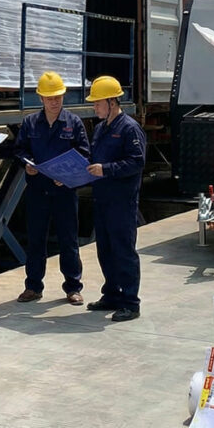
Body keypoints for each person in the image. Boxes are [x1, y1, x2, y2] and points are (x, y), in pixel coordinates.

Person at [13, 71, 90, 305]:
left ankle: (73, 287)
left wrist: (67, 175)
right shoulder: (30, 123)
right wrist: (27, 165)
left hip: (64, 191)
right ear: (41, 99)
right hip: (38, 190)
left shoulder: (73, 123)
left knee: (68, 239)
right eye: (50, 98)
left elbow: (84, 153)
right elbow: (20, 150)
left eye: (58, 97)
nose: (54, 102)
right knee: (36, 239)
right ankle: (33, 286)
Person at [84, 75, 146, 322]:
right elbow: (94, 159)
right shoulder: (101, 129)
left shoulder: (129, 128)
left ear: (112, 102)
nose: (94, 107)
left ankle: (130, 303)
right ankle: (111, 294)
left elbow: (137, 162)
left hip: (121, 202)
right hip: (102, 199)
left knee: (123, 251)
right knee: (105, 250)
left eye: (97, 103)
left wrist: (106, 169)